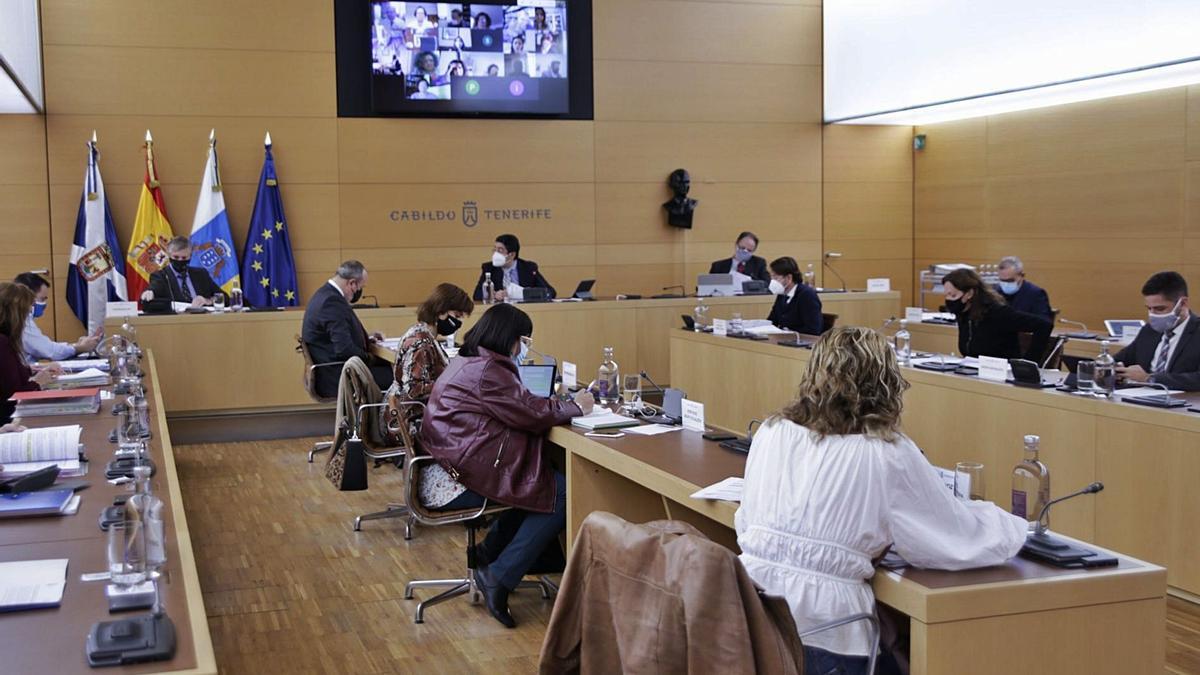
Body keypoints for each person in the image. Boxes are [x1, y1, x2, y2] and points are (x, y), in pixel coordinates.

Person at [735, 327, 1026, 673]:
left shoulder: (771, 431)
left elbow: (745, 522)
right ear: (885, 381)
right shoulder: (886, 452)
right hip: (828, 634)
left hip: (753, 620)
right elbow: (952, 538)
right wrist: (1016, 529)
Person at [420, 303, 594, 628]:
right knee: (559, 492)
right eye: (523, 339)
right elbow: (530, 414)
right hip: (457, 476)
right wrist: (575, 407)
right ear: (509, 337)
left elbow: (519, 406)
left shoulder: (471, 359)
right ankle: (499, 576)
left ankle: (490, 553)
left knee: (538, 481)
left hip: (449, 462)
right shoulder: (489, 371)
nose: (523, 347)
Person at [382, 283, 473, 444]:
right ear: (441, 311)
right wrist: (452, 384)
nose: (458, 322)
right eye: (457, 316)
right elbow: (414, 390)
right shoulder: (421, 343)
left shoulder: (422, 333)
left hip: (406, 414)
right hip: (408, 423)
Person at [301, 260, 393, 397]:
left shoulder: (325, 294)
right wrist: (371, 357)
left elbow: (336, 338)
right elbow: (344, 350)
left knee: (390, 369)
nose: (359, 292)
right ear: (352, 283)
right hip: (337, 375)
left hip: (333, 370)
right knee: (400, 377)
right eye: (361, 287)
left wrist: (366, 339)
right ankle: (386, 417)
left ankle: (375, 416)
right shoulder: (331, 302)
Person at [1114, 271, 1200, 391]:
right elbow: (1120, 359)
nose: (1153, 315)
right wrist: (1113, 369)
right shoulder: (1149, 330)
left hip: (1182, 402)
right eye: (1149, 309)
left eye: (1160, 309)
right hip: (1140, 397)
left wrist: (1150, 378)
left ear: (1183, 303)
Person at [942, 268, 1051, 361]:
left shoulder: (997, 313)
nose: (948, 300)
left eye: (953, 295)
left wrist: (1029, 362)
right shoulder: (963, 313)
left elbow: (1044, 325)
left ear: (970, 293)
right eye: (946, 295)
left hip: (1001, 374)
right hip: (974, 372)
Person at [0, 283, 59, 425]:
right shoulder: (2, 342)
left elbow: (8, 377)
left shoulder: (5, 339)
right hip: (9, 422)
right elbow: (13, 395)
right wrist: (37, 382)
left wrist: (29, 370)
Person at [13, 273, 100, 361]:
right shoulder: (21, 321)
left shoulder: (20, 318)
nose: (44, 304)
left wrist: (76, 346)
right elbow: (51, 351)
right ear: (28, 297)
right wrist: (80, 348)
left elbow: (46, 346)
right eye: (42, 299)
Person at [142, 236, 225, 312]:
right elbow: (153, 289)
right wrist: (149, 292)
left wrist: (207, 301)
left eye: (184, 258)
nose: (180, 260)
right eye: (176, 257)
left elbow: (224, 297)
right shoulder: (161, 276)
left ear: (190, 256)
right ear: (169, 255)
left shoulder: (201, 274)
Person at [472, 234, 556, 301]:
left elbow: (550, 292)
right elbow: (476, 295)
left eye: (500, 250)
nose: (495, 254)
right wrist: (494, 295)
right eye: (494, 249)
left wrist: (523, 293)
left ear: (512, 254)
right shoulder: (489, 268)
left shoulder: (528, 268)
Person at [766, 257, 823, 335]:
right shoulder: (782, 294)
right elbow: (773, 321)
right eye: (771, 277)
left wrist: (787, 332)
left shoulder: (807, 295)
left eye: (775, 277)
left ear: (789, 277)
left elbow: (813, 329)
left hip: (801, 342)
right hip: (784, 340)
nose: (772, 280)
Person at [995, 256, 1052, 321]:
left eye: (1010, 280)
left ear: (1021, 276)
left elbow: (1044, 323)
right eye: (1002, 281)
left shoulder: (1036, 294)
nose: (1006, 284)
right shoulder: (994, 293)